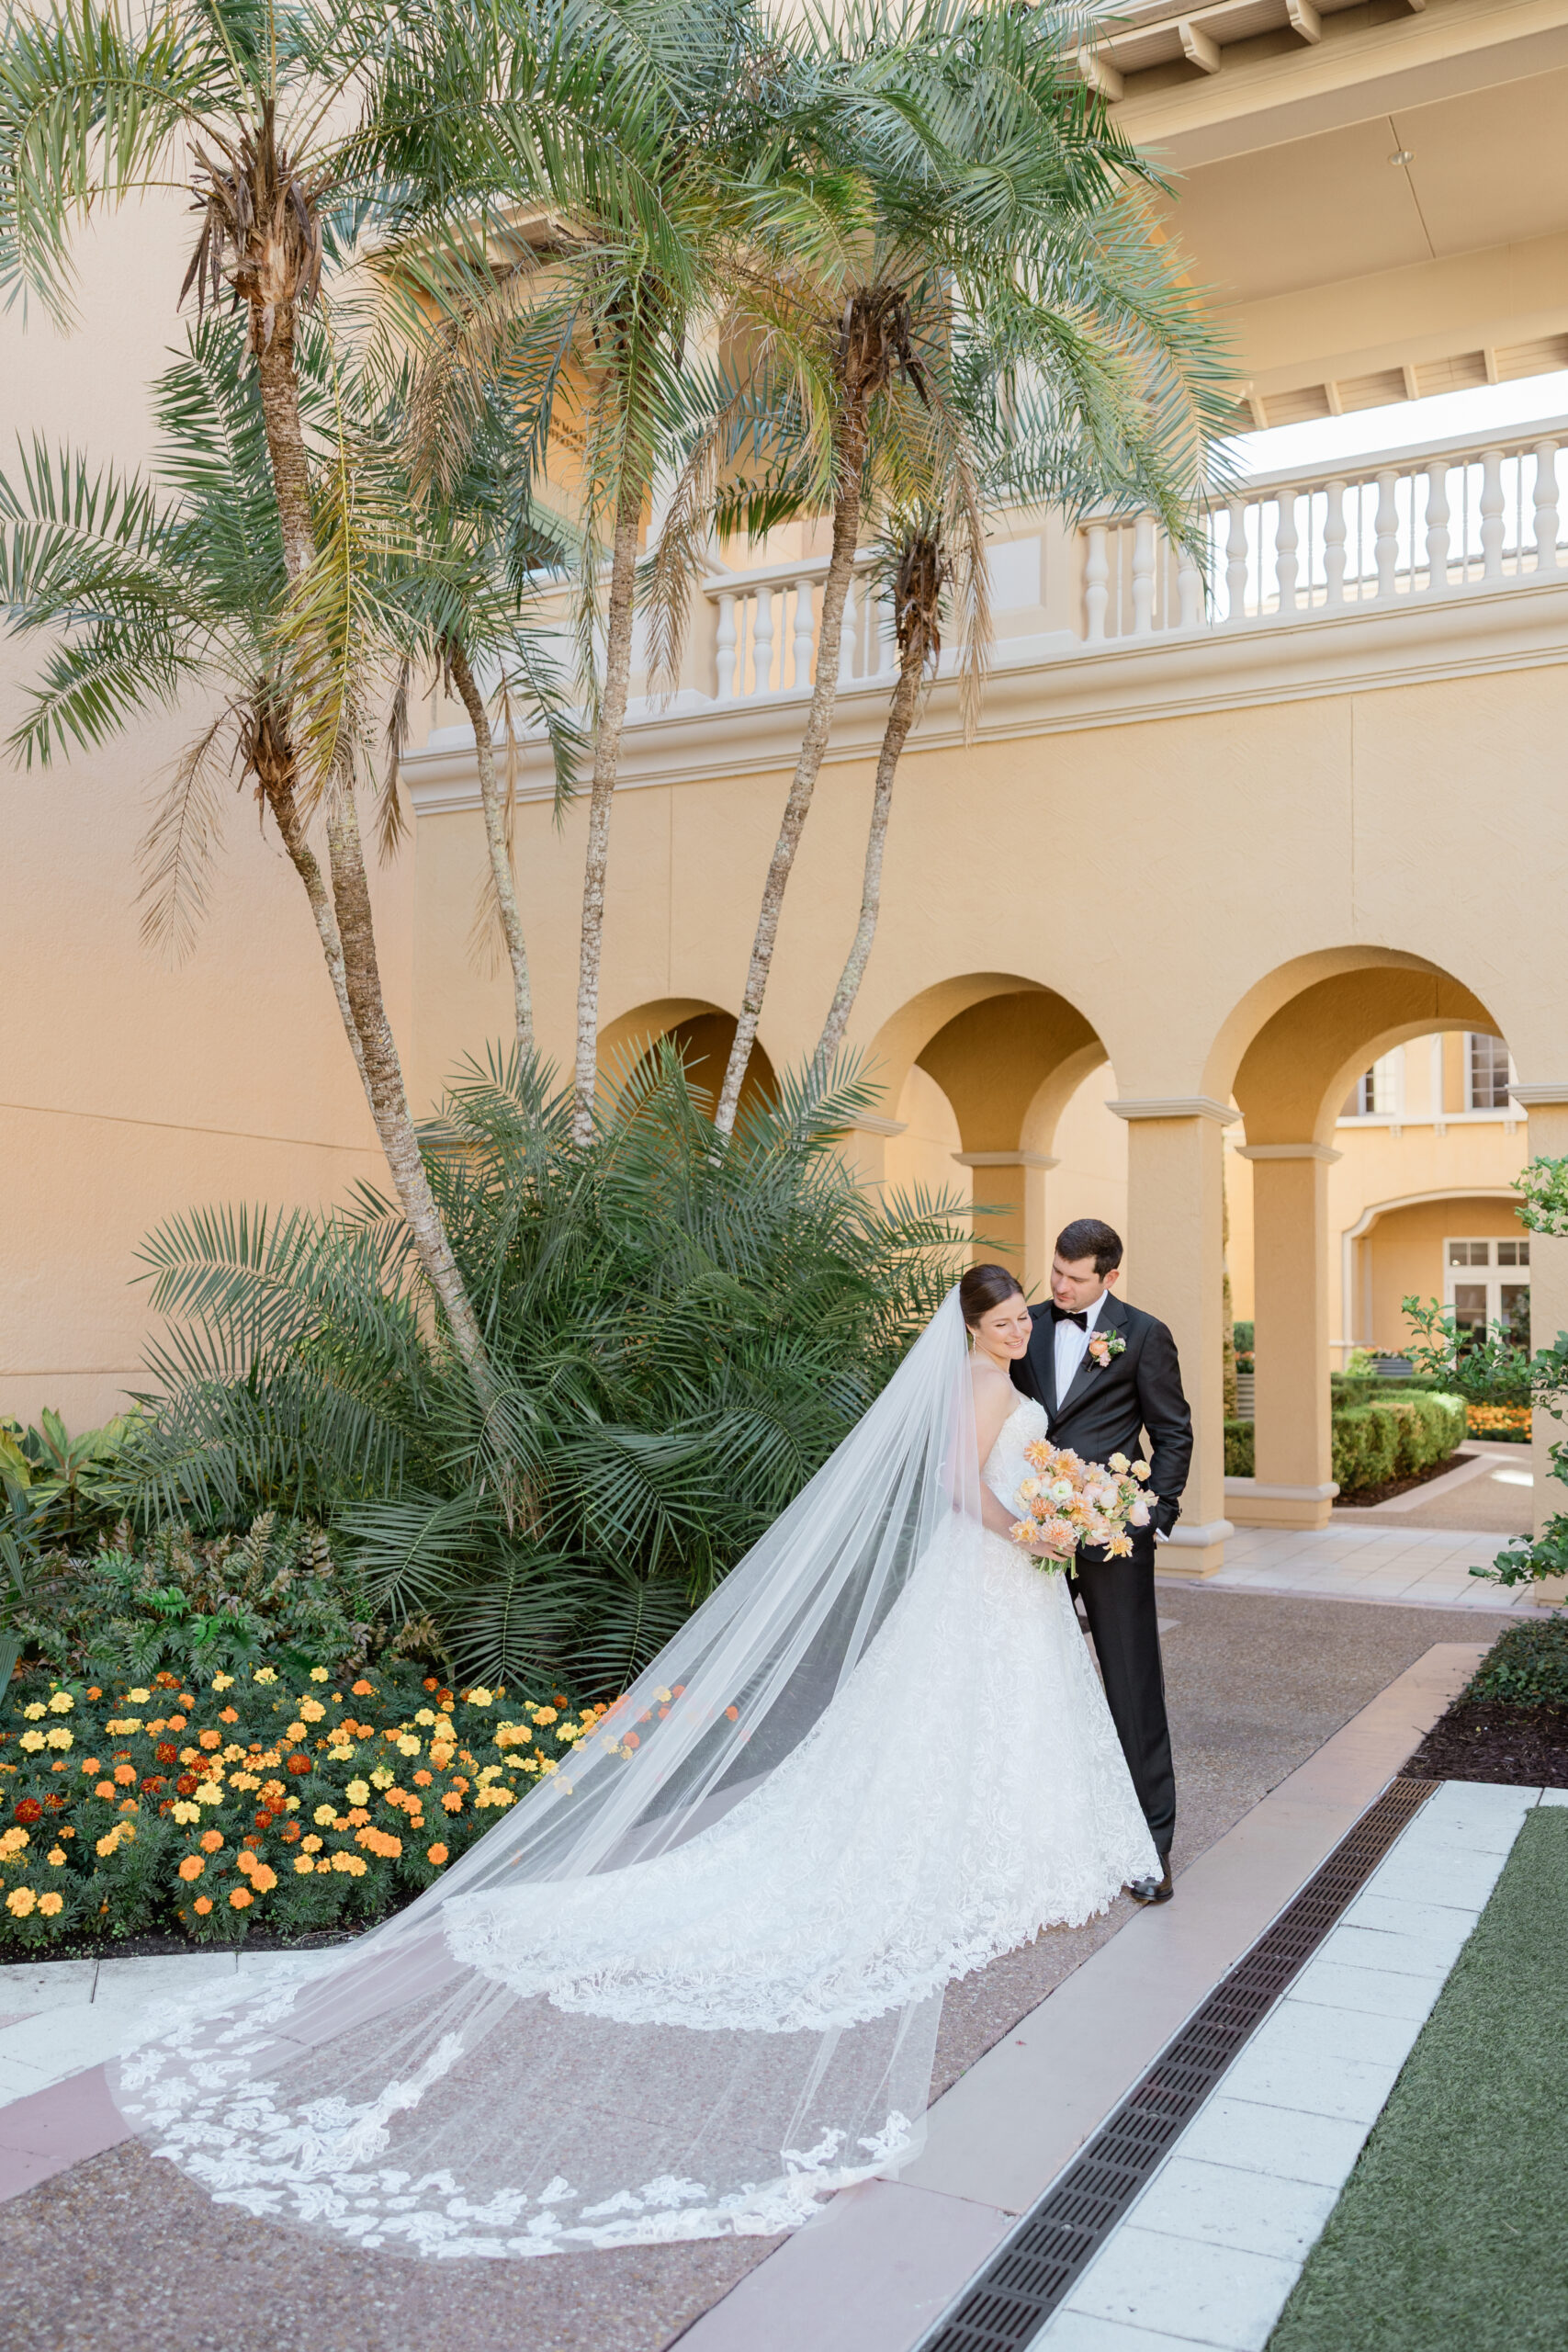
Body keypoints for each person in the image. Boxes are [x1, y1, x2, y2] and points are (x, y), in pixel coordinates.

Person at [109, 1273, 1158, 2261]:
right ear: (973, 1326)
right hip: (987, 1566)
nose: (1020, 1326)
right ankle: (981, 1846)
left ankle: (1022, 1839)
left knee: (995, 1718)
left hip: (1007, 1575)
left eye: (1025, 1313)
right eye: (1007, 1315)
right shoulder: (978, 1386)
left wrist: (1054, 1519)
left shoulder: (1005, 1381)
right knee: (951, 1723)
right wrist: (1037, 1530)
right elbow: (955, 1486)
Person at [1010, 1217, 1193, 1905]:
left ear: (1109, 1277)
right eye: (1054, 1270)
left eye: (1074, 1277)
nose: (1058, 1285)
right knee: (1034, 1678)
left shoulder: (1143, 1334)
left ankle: (1151, 1847)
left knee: (1131, 1683)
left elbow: (1172, 1432)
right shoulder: (1023, 1325)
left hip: (1112, 1537)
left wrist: (1155, 1516)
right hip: (1032, 1535)